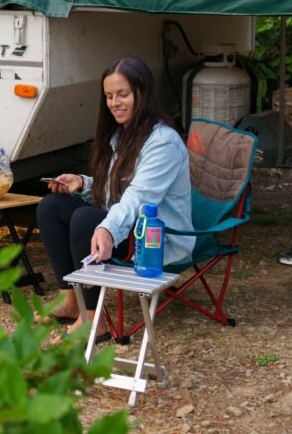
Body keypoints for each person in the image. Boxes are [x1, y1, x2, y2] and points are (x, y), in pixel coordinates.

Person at [36, 56, 194, 342]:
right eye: (109, 96)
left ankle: (94, 320)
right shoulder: (122, 136)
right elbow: (118, 190)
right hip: (131, 228)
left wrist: (107, 228)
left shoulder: (163, 142)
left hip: (158, 239)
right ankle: (71, 301)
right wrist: (84, 184)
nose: (114, 103)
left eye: (123, 94)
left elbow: (139, 196)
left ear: (142, 93)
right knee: (52, 207)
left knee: (86, 219)